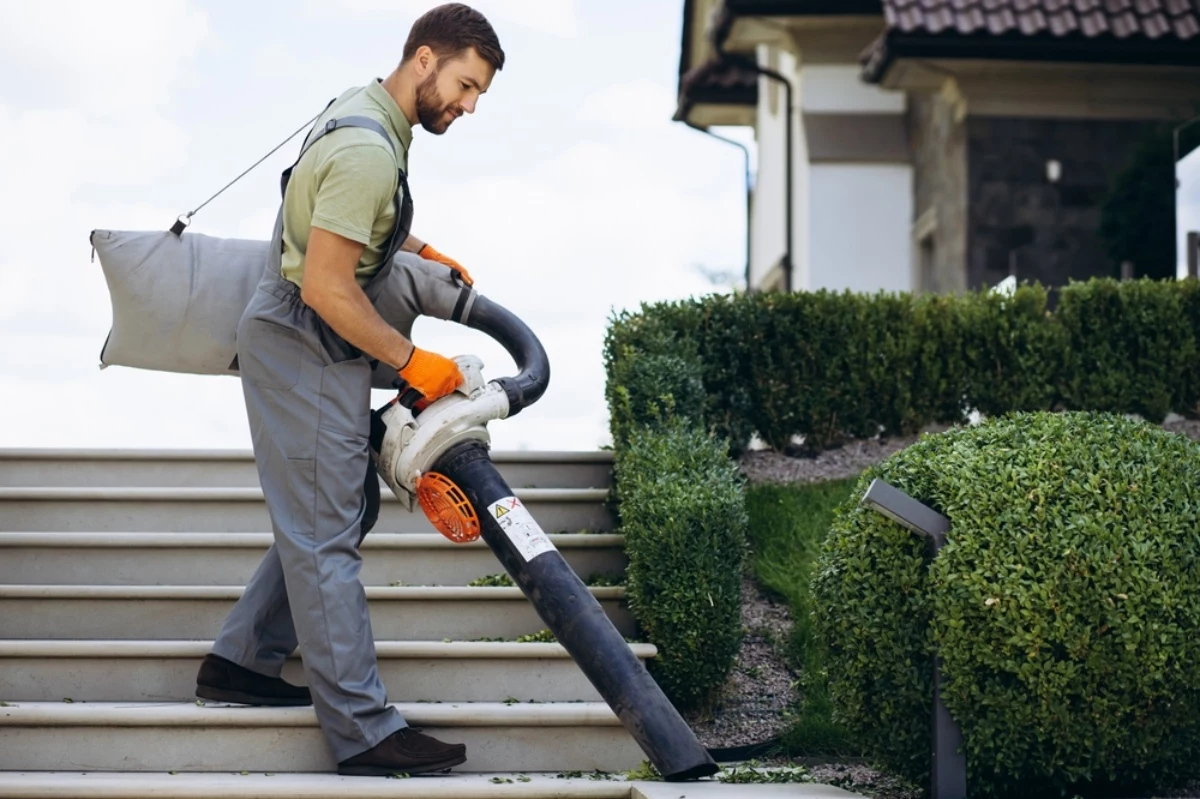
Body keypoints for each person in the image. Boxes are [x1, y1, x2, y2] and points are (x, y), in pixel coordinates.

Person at [190, 3, 505, 778]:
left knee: (342, 508)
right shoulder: (371, 147)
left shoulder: (364, 111)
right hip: (304, 336)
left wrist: (416, 244)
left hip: (307, 336)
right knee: (327, 534)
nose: (468, 107)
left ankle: (240, 659)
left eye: (478, 97)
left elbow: (320, 206)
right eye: (465, 86)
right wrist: (415, 360)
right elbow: (330, 285)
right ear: (425, 59)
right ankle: (364, 730)